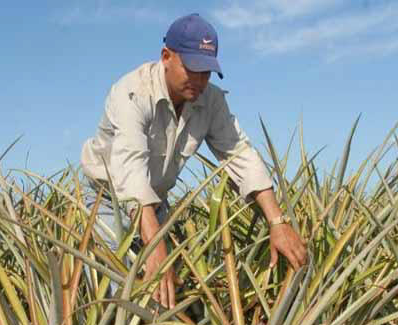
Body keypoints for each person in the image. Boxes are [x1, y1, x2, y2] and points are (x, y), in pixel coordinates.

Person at [81, 13, 307, 308]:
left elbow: (239, 153)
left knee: (167, 297)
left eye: (207, 72)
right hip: (108, 204)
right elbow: (131, 172)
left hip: (156, 205)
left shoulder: (210, 100)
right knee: (116, 302)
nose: (200, 80)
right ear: (166, 57)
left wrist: (278, 222)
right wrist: (155, 246)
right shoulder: (131, 93)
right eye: (192, 69)